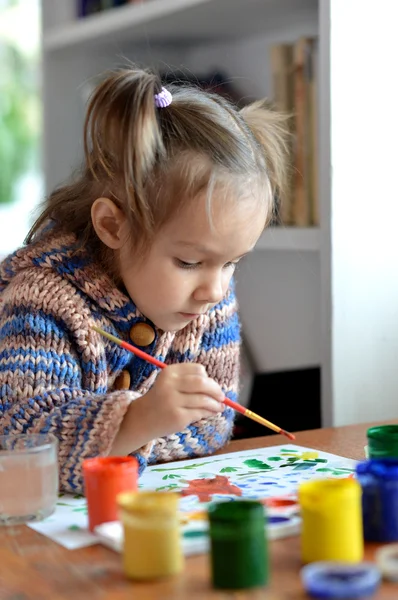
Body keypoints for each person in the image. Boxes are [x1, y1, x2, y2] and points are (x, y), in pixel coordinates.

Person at [0, 67, 289, 493]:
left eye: (232, 263)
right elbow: (25, 448)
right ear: (113, 227)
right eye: (189, 261)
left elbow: (213, 423)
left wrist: (131, 434)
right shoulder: (42, 301)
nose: (216, 288)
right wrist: (140, 419)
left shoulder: (204, 300)